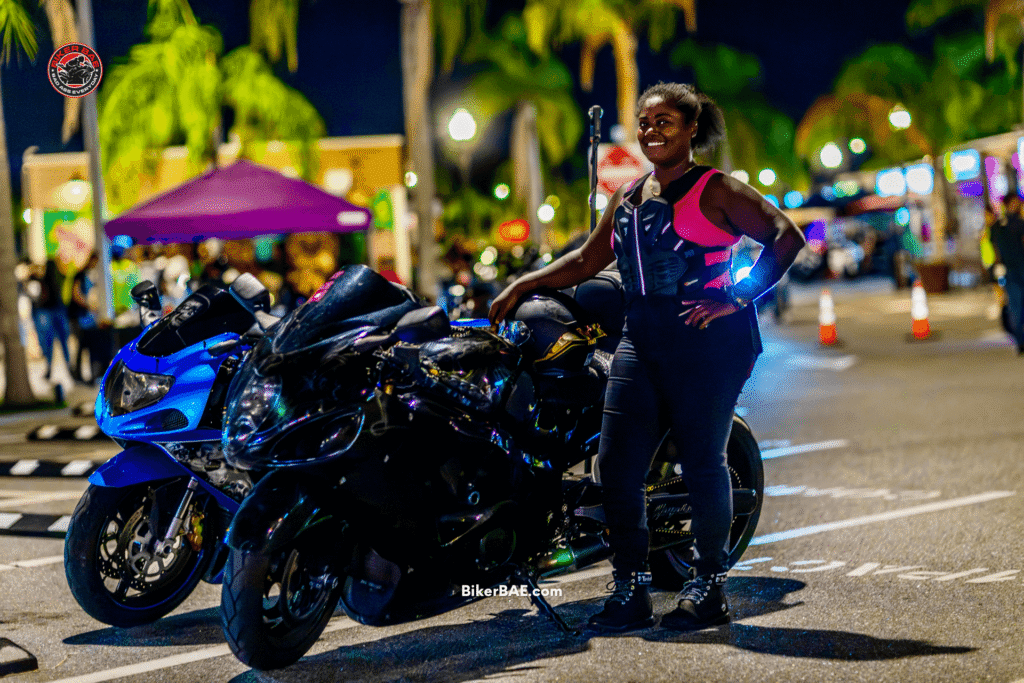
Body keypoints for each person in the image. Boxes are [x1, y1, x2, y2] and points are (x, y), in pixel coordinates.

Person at [489, 82, 805, 633]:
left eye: (665, 122)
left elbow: (786, 236)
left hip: (708, 346)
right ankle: (631, 588)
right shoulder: (631, 196)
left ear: (691, 131)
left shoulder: (717, 190)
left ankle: (708, 587)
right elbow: (589, 259)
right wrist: (524, 284)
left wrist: (736, 295)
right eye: (644, 122)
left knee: (703, 460)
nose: (651, 131)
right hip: (642, 341)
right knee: (616, 465)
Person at [28, 260, 73, 381]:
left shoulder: (41, 280)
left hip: (47, 312)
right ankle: (69, 368)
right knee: (63, 342)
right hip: (58, 311)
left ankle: (50, 369)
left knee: (49, 343)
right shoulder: (60, 279)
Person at [991, 192, 1024, 354]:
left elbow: (996, 251)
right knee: (1018, 306)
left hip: (1007, 272)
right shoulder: (1019, 224)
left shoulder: (996, 226)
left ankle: (1020, 341)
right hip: (1019, 270)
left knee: (1015, 306)